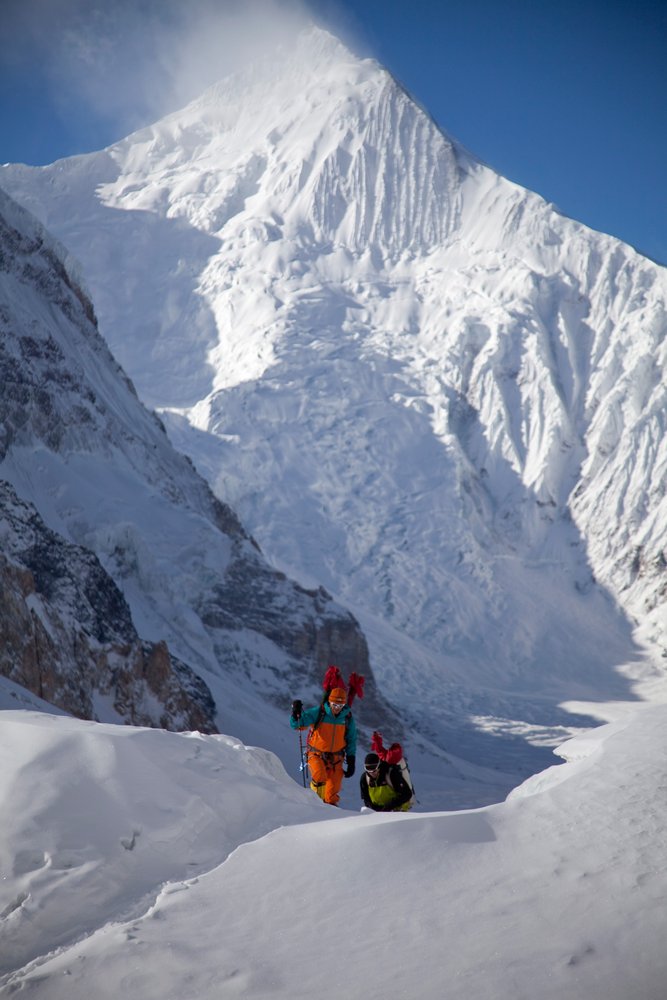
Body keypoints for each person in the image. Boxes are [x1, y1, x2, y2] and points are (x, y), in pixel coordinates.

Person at [290, 687, 357, 806]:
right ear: (329, 702)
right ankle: (316, 805)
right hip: (316, 754)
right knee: (319, 776)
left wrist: (351, 759)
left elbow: (351, 738)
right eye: (334, 704)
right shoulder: (318, 712)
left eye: (340, 705)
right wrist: (295, 714)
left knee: (333, 790)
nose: (337, 708)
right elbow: (297, 724)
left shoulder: (347, 717)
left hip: (336, 758)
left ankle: (331, 811)